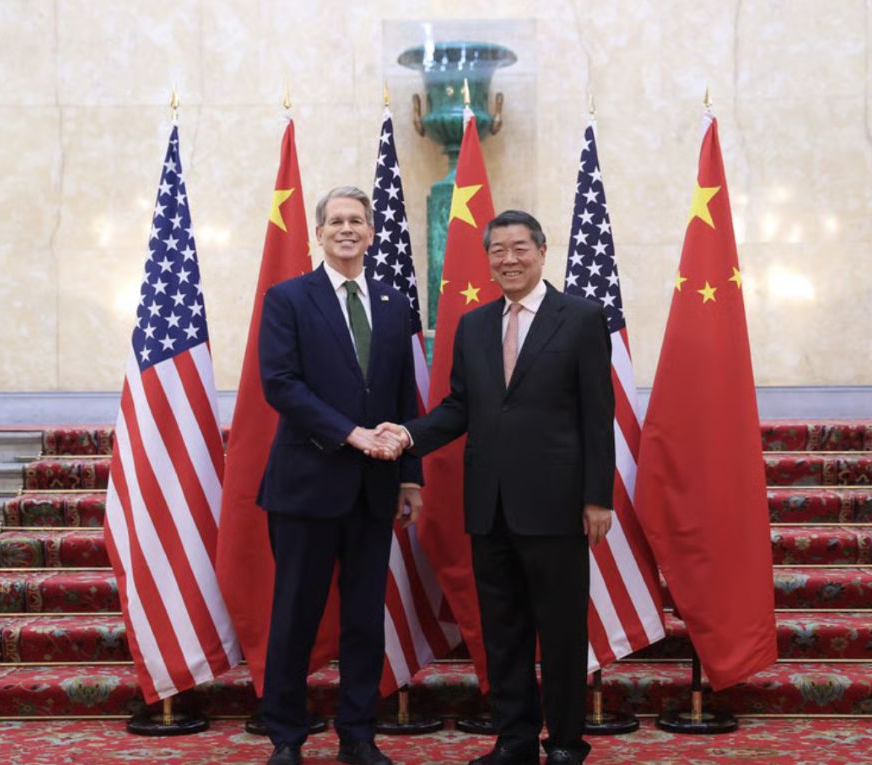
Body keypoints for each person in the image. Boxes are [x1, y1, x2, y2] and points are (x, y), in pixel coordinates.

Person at [378, 210, 615, 765]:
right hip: (488, 507)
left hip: (558, 507)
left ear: (541, 250)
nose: (509, 259)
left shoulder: (580, 318)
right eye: (498, 251)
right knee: (503, 632)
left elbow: (596, 415)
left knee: (558, 633)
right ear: (488, 259)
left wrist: (597, 496)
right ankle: (514, 741)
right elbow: (461, 406)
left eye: (519, 248)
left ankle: (563, 743)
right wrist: (407, 435)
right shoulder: (476, 325)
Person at [256, 186, 423, 765]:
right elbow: (280, 384)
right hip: (306, 485)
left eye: (357, 221)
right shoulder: (288, 298)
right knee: (295, 616)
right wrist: (350, 434)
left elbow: (405, 392)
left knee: (362, 620)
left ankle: (357, 733)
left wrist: (411, 476)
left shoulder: (395, 302)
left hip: (376, 489)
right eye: (336, 222)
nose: (347, 229)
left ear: (372, 233)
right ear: (318, 235)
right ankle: (285, 735)